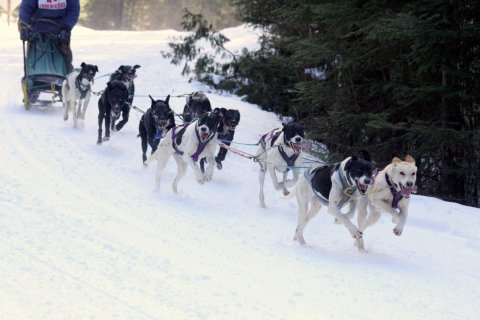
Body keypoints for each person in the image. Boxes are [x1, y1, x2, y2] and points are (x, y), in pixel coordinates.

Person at [18, 0, 80, 73]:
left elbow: (73, 10)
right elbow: (26, 8)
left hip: (60, 32)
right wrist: (23, 25)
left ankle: (66, 77)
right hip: (36, 33)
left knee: (64, 63)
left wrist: (67, 27)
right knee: (32, 63)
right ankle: (31, 78)